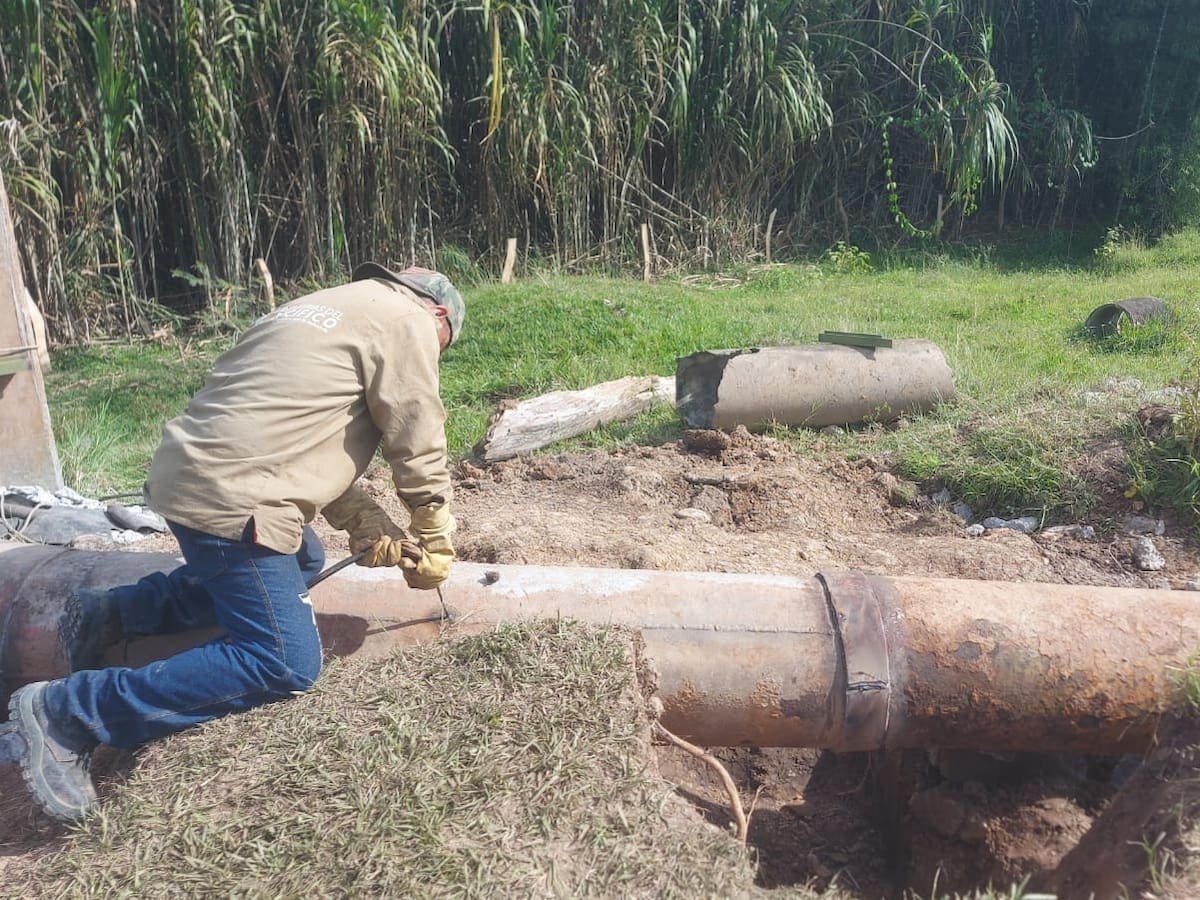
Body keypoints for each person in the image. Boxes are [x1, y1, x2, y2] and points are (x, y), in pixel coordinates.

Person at [7, 263, 465, 822]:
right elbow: (417, 433)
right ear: (438, 313)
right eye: (444, 347)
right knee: (283, 660)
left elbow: (283, 433)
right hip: (234, 500)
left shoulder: (323, 308)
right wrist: (433, 527)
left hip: (190, 474)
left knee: (304, 558)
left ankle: (115, 613)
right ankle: (67, 713)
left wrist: (364, 519)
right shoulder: (409, 322)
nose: (435, 356)